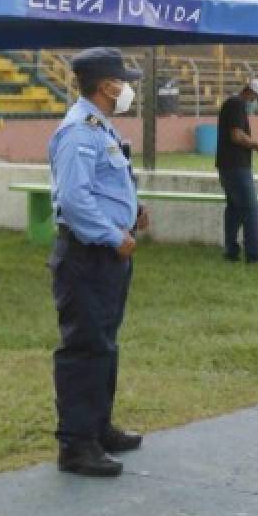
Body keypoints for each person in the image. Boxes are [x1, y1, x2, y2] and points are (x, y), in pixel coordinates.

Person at [48, 48, 149, 477]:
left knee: (104, 342)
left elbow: (105, 184)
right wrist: (112, 235)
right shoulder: (79, 131)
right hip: (88, 255)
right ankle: (76, 445)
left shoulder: (99, 126)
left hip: (106, 255)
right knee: (85, 346)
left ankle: (98, 427)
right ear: (108, 86)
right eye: (124, 81)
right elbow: (73, 199)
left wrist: (133, 210)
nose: (128, 88)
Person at [215, 78, 258, 264]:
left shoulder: (232, 104)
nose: (255, 105)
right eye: (255, 99)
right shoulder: (237, 104)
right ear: (250, 93)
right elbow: (237, 136)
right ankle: (253, 256)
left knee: (234, 210)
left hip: (227, 165)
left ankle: (231, 251)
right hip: (237, 166)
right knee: (251, 210)